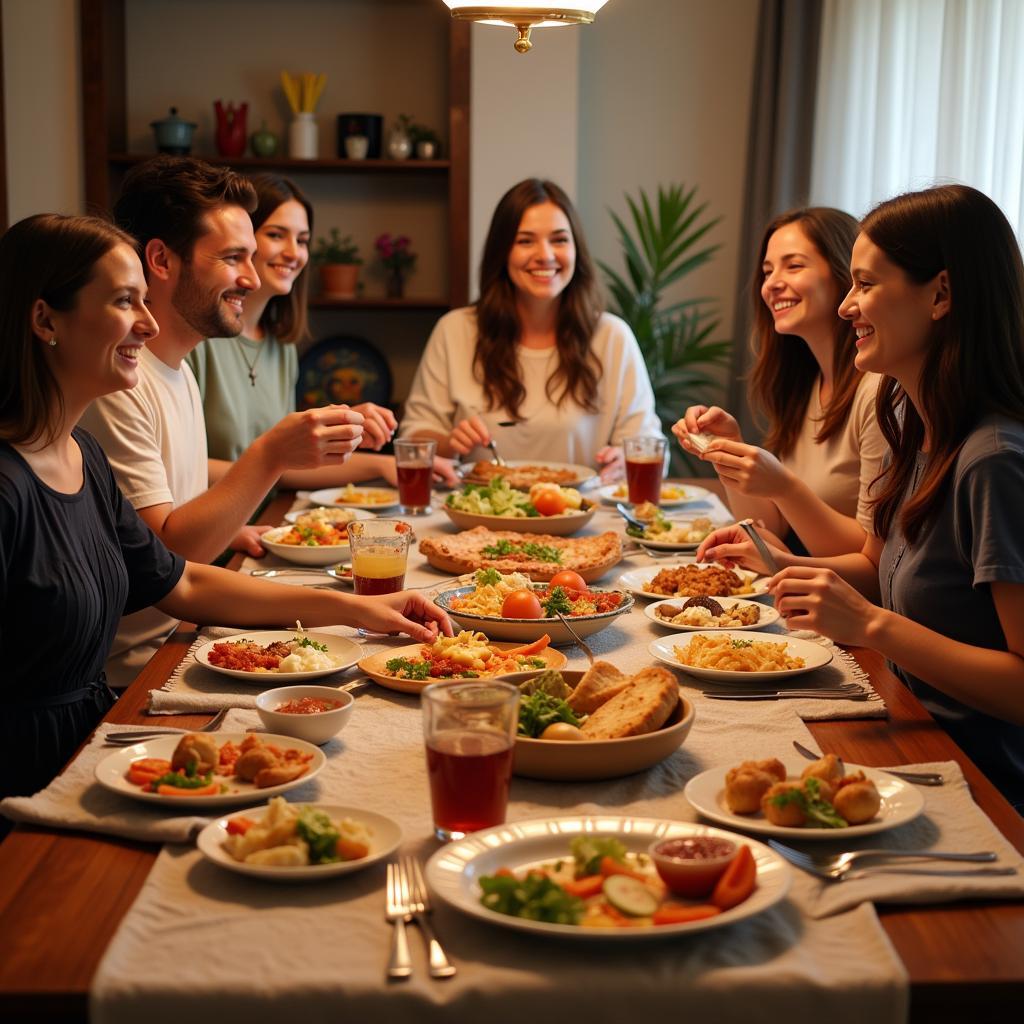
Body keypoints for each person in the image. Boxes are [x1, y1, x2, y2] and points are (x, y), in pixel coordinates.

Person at [0, 213, 450, 801]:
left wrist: (357, 611)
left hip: (94, 743)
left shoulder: (81, 454)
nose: (148, 321)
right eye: (124, 301)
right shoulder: (9, 488)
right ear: (44, 319)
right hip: (28, 774)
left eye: (144, 299)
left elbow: (182, 583)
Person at [701, 185, 1024, 807]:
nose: (849, 306)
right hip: (903, 726)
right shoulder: (915, 424)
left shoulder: (995, 462)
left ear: (942, 295)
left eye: (866, 285)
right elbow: (879, 568)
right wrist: (788, 567)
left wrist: (872, 626)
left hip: (978, 781)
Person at [79, 157, 394, 687]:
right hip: (140, 674)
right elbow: (170, 563)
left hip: (188, 636)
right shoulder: (121, 386)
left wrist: (355, 609)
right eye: (232, 258)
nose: (252, 277)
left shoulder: (177, 372)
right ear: (160, 258)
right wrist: (270, 454)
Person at [186, 173, 456, 487]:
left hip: (270, 523)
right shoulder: (198, 339)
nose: (293, 253)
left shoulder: (280, 346)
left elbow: (283, 469)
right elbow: (182, 467)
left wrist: (387, 464)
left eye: (302, 240)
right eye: (276, 235)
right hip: (218, 531)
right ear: (241, 238)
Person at [399, 178, 661, 480]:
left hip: (587, 520)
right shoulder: (454, 330)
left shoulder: (613, 337)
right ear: (502, 252)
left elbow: (648, 445)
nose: (545, 255)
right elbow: (414, 438)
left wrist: (624, 459)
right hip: (480, 519)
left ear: (576, 250)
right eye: (525, 241)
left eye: (560, 240)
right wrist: (451, 442)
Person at [674, 208, 887, 559]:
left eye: (794, 265)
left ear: (843, 273)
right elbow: (770, 528)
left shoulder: (877, 390)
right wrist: (727, 448)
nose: (771, 283)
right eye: (767, 271)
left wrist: (786, 487)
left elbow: (872, 560)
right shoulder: (805, 384)